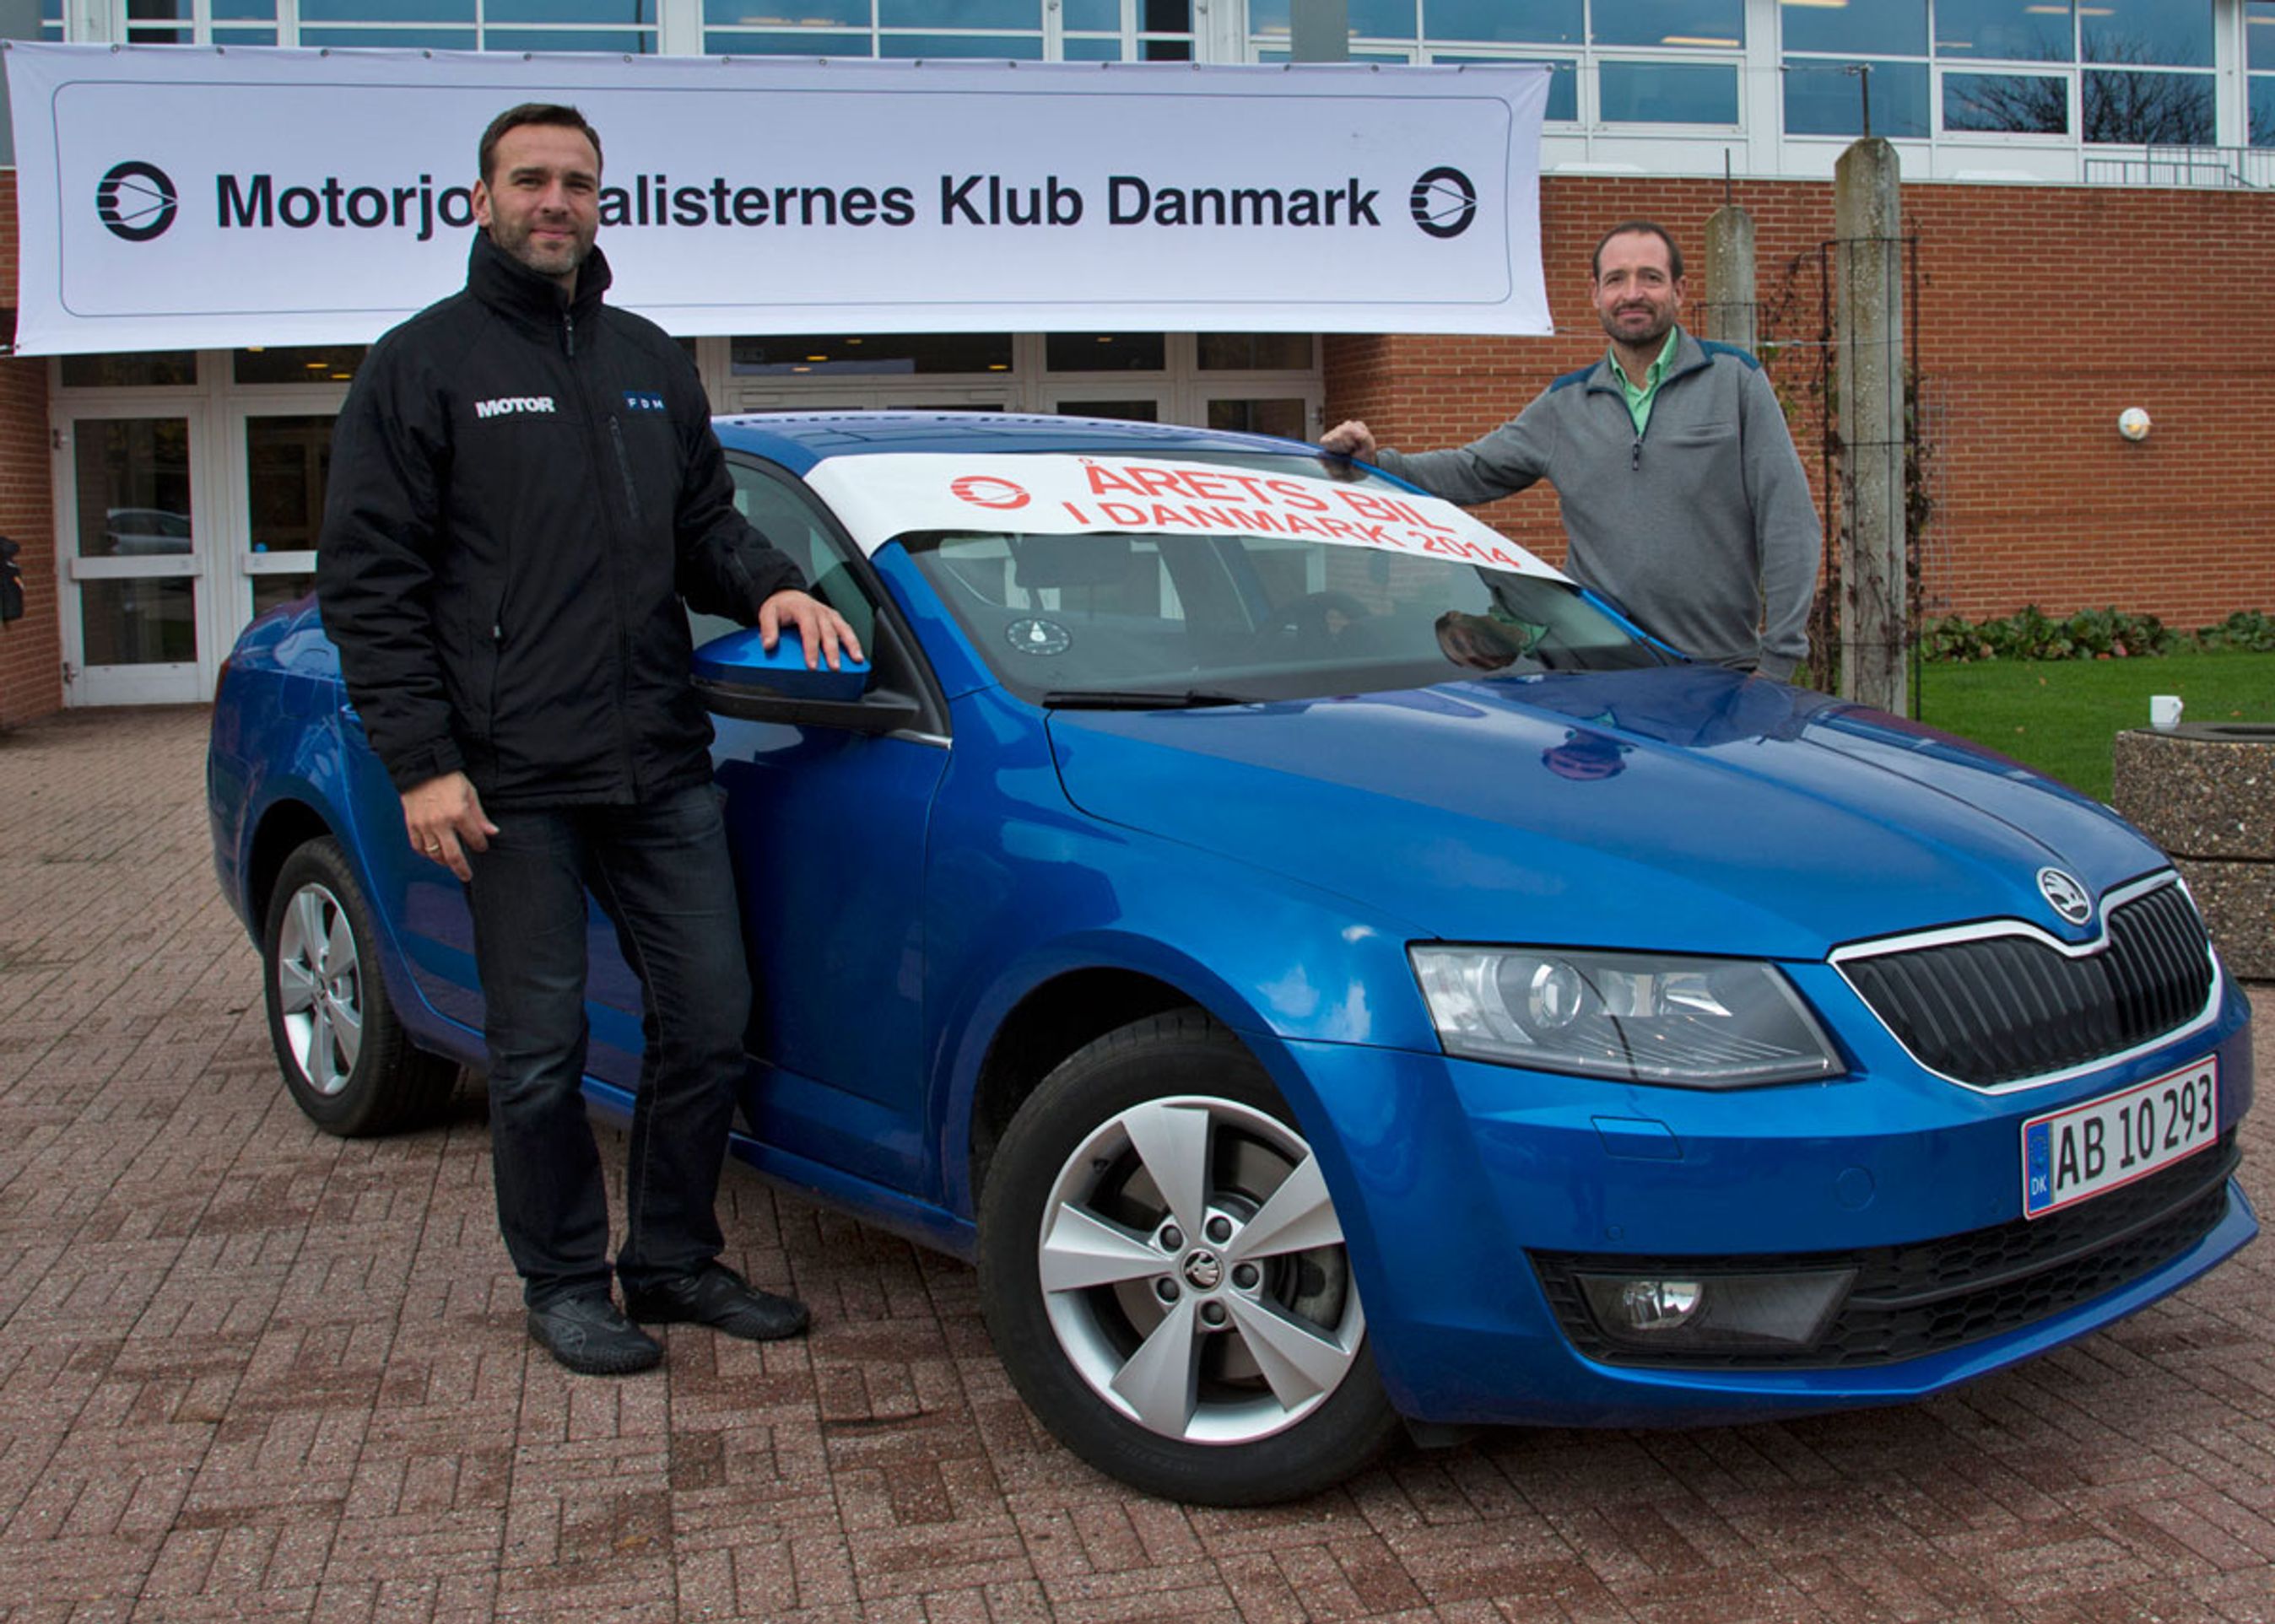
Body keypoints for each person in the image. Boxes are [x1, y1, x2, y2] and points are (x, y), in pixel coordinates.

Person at [316, 104, 862, 1377]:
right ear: (481, 199)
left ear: (600, 201)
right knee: (542, 1045)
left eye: (575, 182)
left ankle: (670, 1258)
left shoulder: (647, 360)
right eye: (530, 180)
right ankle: (563, 1279)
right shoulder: (421, 365)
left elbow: (705, 525)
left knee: (712, 1017)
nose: (553, 201)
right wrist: (420, 761)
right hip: (508, 780)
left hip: (657, 759)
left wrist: (772, 583)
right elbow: (370, 582)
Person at [1321, 220, 1820, 683]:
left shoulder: (1735, 382)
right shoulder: (1566, 404)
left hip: (1717, 669)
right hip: (1597, 670)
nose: (1632, 294)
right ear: (1596, 295)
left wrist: (1778, 658)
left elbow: (1789, 522)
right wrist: (1376, 462)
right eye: (1616, 280)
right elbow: (1472, 470)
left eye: (1650, 278)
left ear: (1679, 291)